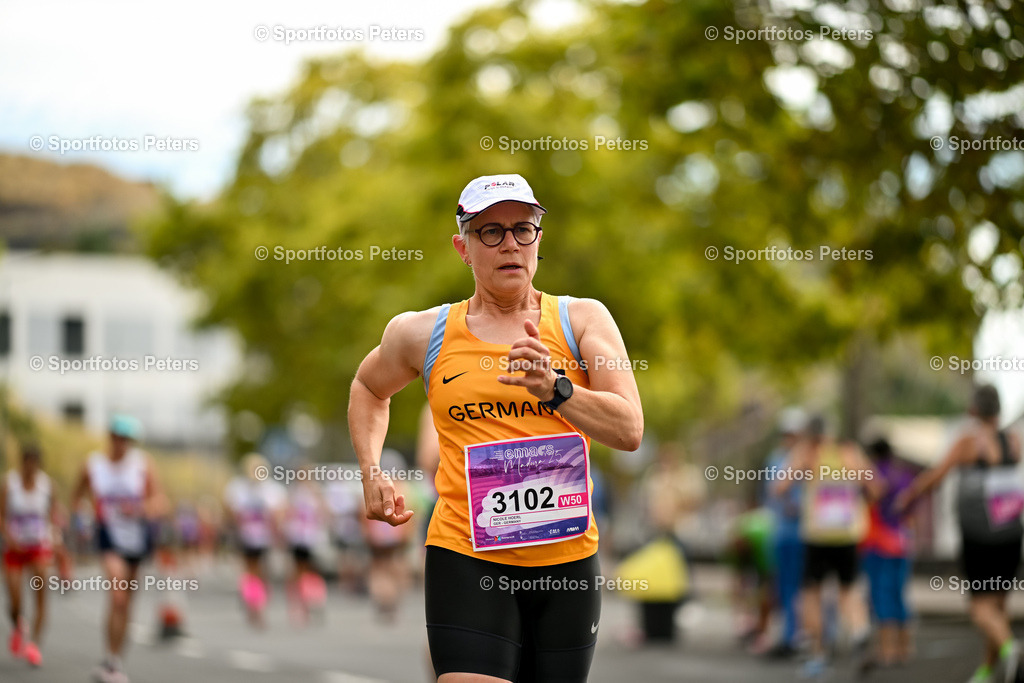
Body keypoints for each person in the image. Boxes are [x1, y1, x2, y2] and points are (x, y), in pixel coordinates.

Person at [348, 174, 643, 682]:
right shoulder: (421, 334)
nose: (509, 243)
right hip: (466, 555)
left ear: (538, 240)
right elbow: (369, 388)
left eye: (522, 229)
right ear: (463, 247)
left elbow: (629, 428)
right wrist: (371, 470)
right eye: (491, 231)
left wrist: (557, 388)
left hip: (565, 562)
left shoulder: (582, 321)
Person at [897, 385, 1024, 683]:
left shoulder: (969, 441)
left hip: (980, 537)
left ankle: (1010, 649)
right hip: (1011, 533)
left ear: (973, 410)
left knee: (980, 607)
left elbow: (936, 475)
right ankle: (987, 670)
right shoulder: (1014, 441)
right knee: (998, 605)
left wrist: (908, 498)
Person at [779, 415, 877, 679]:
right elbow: (876, 487)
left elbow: (780, 486)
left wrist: (796, 493)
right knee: (848, 590)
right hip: (847, 532)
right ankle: (859, 631)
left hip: (818, 535)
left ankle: (818, 655)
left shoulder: (807, 452)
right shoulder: (850, 451)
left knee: (811, 595)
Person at [72, 414, 168, 683]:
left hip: (137, 538)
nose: (122, 444)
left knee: (126, 604)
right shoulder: (94, 465)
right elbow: (76, 498)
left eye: (127, 440)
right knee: (117, 595)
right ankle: (111, 660)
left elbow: (160, 501)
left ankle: (115, 661)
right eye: (118, 438)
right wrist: (81, 521)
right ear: (110, 437)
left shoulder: (143, 465)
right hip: (108, 535)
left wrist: (139, 508)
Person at [858, 437, 915, 672]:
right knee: (899, 595)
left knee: (881, 597)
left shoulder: (871, 473)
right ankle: (905, 648)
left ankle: (887, 651)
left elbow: (870, 498)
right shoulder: (904, 475)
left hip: (878, 543)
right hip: (902, 542)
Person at [1, 444, 60, 667]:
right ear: (22, 462)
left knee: (40, 593)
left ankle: (34, 645)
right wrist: (9, 538)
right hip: (15, 549)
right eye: (27, 463)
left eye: (34, 464)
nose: (30, 468)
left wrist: (55, 539)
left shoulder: (47, 486)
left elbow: (54, 517)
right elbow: (1, 516)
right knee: (14, 600)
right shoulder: (10, 484)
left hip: (38, 547)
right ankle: (18, 624)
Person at [223, 453, 286, 627]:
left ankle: (254, 601)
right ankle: (255, 603)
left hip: (259, 538)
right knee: (254, 571)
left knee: (255, 571)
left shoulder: (267, 490)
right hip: (249, 538)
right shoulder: (241, 488)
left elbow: (278, 517)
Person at [764, 407, 807, 659]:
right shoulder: (777, 459)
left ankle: (807, 637)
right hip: (783, 532)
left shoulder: (810, 458)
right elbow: (774, 495)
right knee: (786, 587)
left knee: (807, 588)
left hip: (807, 534)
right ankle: (791, 635)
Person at [283, 464, 329, 625]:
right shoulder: (294, 493)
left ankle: (311, 600)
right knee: (298, 571)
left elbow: (325, 513)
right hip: (298, 538)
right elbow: (286, 514)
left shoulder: (314, 492)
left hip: (312, 539)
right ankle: (300, 604)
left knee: (310, 571)